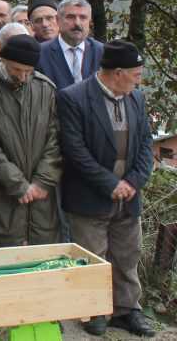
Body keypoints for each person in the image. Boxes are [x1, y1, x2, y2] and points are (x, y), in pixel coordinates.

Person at [58, 41, 155, 337]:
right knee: (91, 257)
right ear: (117, 73)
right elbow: (74, 151)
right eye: (136, 75)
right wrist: (110, 183)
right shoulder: (73, 98)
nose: (139, 81)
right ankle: (94, 311)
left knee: (128, 255)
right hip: (90, 196)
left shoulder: (136, 98)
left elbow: (146, 144)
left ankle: (127, 310)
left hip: (128, 197)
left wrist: (133, 182)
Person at [0, 35, 62, 248]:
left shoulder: (45, 88)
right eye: (16, 70)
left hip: (41, 201)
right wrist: (18, 185)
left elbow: (55, 139)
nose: (22, 77)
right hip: (1, 198)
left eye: (28, 72)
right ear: (2, 60)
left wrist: (42, 181)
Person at [37, 0, 103, 91]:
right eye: (70, 17)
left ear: (90, 22)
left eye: (83, 17)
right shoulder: (40, 53)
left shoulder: (102, 52)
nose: (77, 23)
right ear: (58, 20)